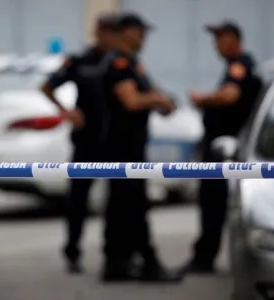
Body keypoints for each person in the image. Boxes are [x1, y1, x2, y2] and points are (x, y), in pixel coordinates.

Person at [100, 13, 181, 282]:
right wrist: (157, 99)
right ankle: (147, 264)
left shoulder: (134, 64)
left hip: (131, 146)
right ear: (126, 32)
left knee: (123, 207)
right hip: (122, 148)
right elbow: (132, 101)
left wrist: (162, 101)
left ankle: (117, 263)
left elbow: (150, 96)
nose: (143, 37)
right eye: (140, 31)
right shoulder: (119, 63)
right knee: (133, 207)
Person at [180, 21, 263, 274]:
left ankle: (204, 258)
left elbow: (230, 96)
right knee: (212, 202)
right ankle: (204, 256)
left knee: (214, 203)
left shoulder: (240, 65)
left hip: (225, 151)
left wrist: (202, 99)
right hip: (222, 149)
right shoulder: (234, 66)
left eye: (220, 39)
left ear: (233, 39)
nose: (216, 45)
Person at [40, 13, 118, 274]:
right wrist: (66, 111)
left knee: (118, 201)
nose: (106, 36)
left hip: (114, 141)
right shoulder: (79, 61)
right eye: (103, 31)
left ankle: (114, 255)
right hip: (85, 142)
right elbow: (47, 86)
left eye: (111, 31)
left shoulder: (120, 63)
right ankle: (72, 251)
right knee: (77, 201)